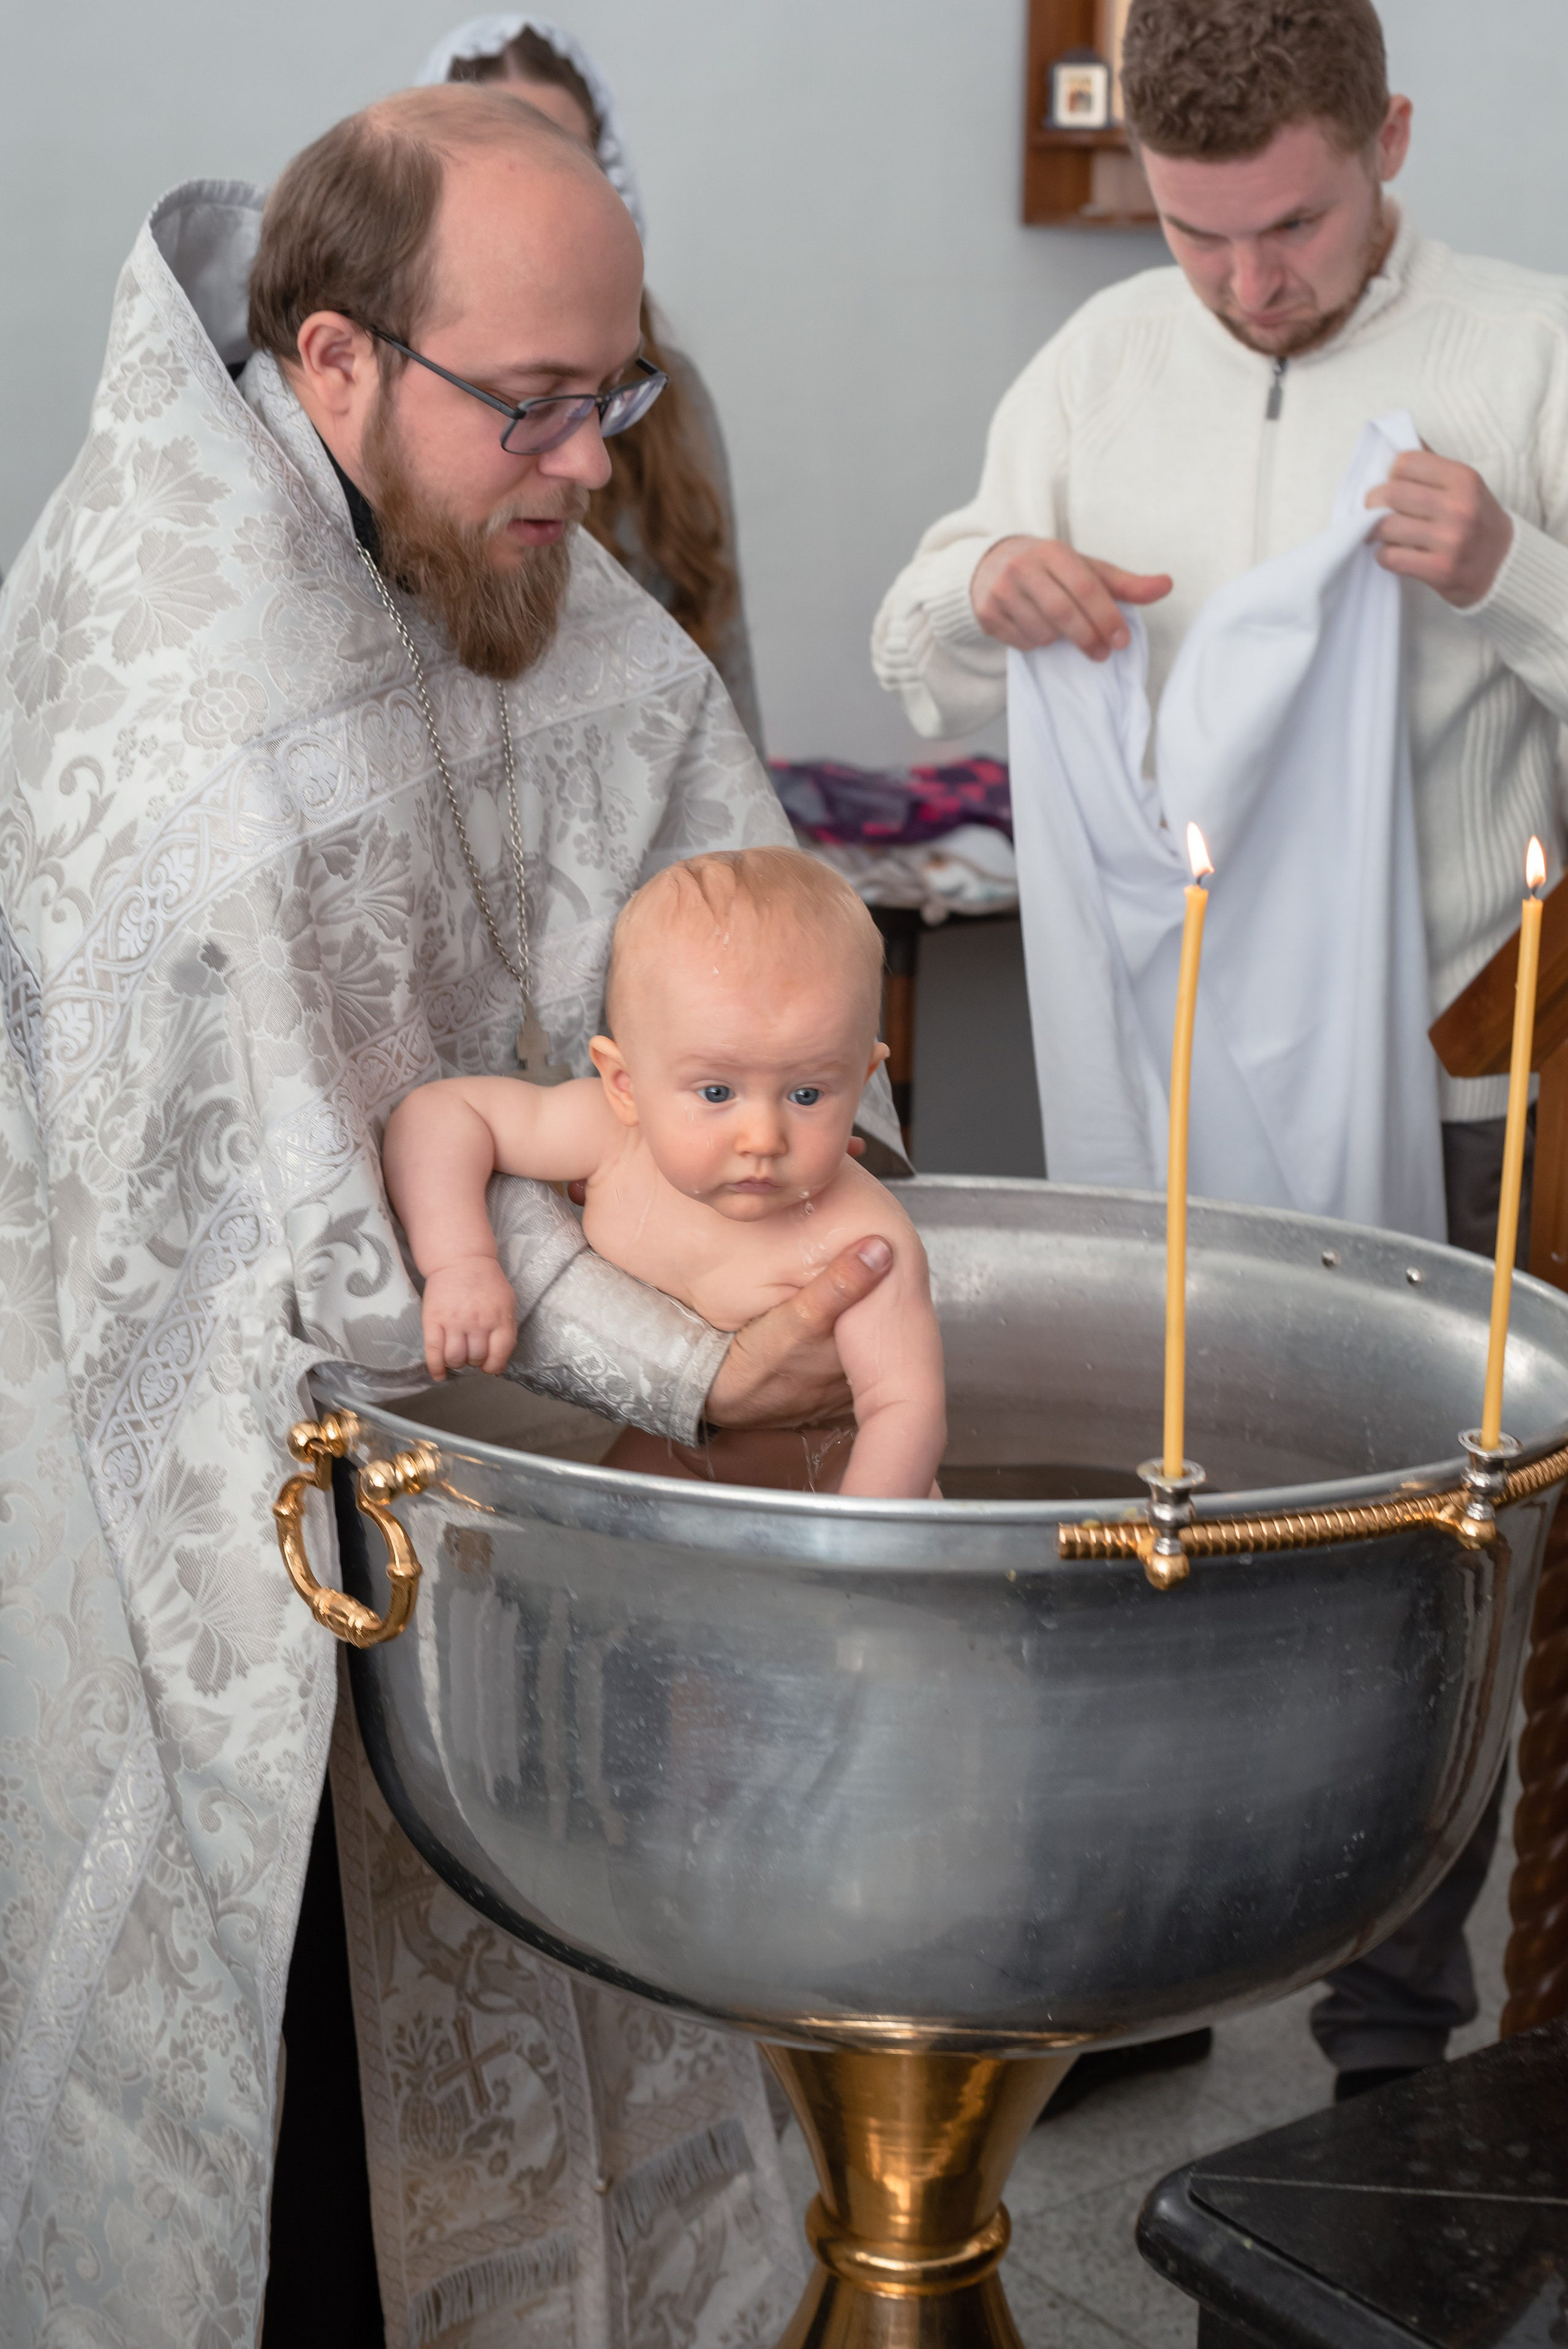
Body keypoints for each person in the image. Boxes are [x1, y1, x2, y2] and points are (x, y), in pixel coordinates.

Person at [0, 85, 907, 2349]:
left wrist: (807, 1197)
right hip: (235, 1547)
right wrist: (693, 1356)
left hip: (546, 1533)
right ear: (334, 361)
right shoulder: (191, 699)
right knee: (320, 2170)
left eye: (618, 397)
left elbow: (727, 871)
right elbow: (290, 1269)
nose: (592, 467)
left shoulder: (503, 525)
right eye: (537, 405)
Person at [874, 0, 1564, 2100]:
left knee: (1418, 1579)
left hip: (1452, 1104)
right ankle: (1139, 1971)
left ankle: (1391, 2055)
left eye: (1293, 224)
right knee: (1144, 1526)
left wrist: (1520, 583)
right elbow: (914, 642)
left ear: (1391, 143)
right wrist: (990, 576)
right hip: (1155, 1092)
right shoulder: (1097, 364)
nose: (1250, 283)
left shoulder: (1530, 354)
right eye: (1197, 236)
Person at [386, 847, 947, 1497]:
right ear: (624, 1084)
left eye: (807, 1095)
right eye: (715, 1093)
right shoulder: (614, 1136)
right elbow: (440, 1115)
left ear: (862, 1081)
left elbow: (903, 1413)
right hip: (671, 1454)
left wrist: (847, 1546)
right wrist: (461, 1263)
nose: (762, 1139)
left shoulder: (860, 1242)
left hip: (828, 1485)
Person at [420, 15, 768, 756]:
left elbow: (723, 666)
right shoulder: (402, 402)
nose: (583, 456)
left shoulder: (675, 398)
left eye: (567, 157)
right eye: (506, 152)